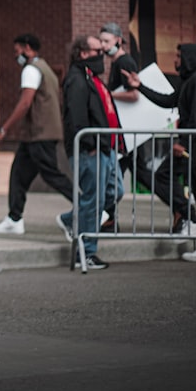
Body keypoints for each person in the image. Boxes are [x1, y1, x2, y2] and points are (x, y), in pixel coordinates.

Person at [121, 44, 196, 262]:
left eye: (179, 56)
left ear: (190, 58)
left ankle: (192, 220)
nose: (176, 59)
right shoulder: (190, 81)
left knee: (164, 175)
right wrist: (140, 86)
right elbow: (168, 101)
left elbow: (195, 116)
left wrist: (184, 143)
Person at [0, 34, 73, 235]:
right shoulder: (47, 70)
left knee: (52, 174)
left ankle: (89, 207)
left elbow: (25, 102)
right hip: (37, 135)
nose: (15, 55)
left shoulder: (31, 70)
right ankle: (14, 219)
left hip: (40, 133)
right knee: (19, 174)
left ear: (27, 48)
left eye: (17, 50)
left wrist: (5, 128)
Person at [55, 35, 124, 270]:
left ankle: (69, 219)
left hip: (105, 147)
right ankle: (87, 253)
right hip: (91, 149)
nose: (102, 55)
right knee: (93, 201)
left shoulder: (91, 78)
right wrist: (89, 145)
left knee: (114, 191)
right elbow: (76, 116)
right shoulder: (76, 79)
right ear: (83, 53)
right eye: (98, 51)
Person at [99, 22, 139, 229]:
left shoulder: (125, 61)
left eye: (107, 41)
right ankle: (108, 218)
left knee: (120, 176)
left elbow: (134, 94)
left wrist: (109, 95)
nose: (104, 46)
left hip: (126, 131)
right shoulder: (117, 63)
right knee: (114, 176)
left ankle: (184, 211)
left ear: (118, 40)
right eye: (102, 42)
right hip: (122, 131)